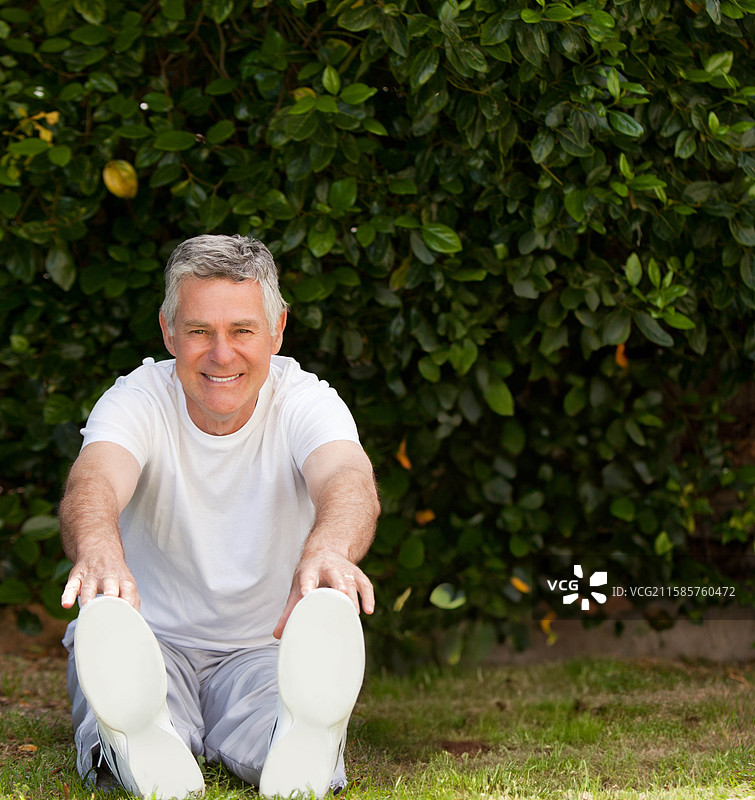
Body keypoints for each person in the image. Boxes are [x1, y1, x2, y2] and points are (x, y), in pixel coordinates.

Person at [58, 234, 381, 799]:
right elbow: (96, 479)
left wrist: (329, 548)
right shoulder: (136, 399)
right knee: (122, 682)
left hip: (264, 648)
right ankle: (138, 737)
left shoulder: (307, 401)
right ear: (168, 332)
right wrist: (98, 548)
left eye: (242, 331)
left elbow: (347, 480)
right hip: (146, 640)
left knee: (282, 738)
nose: (222, 354)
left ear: (278, 329)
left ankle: (298, 738)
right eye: (199, 331)